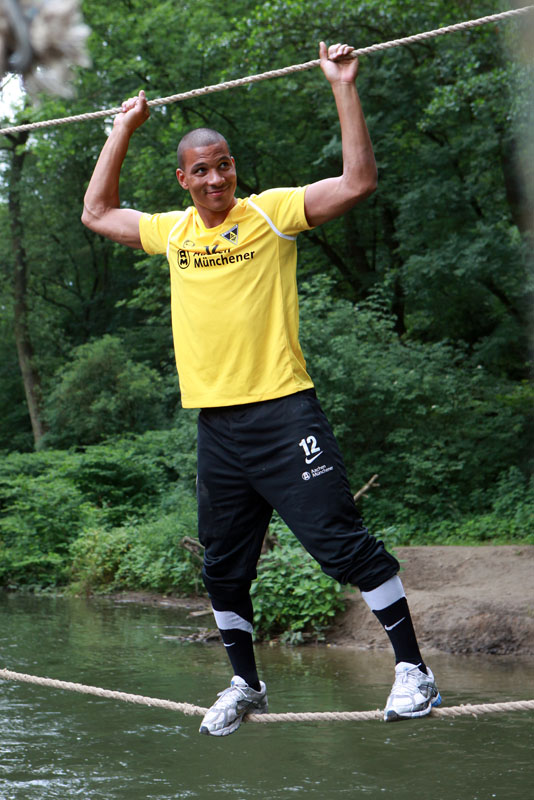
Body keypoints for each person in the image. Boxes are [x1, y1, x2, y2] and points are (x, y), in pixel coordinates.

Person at [82, 42, 441, 736]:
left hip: (284, 414)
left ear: (234, 168)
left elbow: (358, 182)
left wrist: (342, 85)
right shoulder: (173, 233)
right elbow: (97, 212)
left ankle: (414, 673)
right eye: (202, 170)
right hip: (217, 429)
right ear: (183, 178)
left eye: (224, 165)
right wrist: (122, 127)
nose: (216, 178)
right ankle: (246, 684)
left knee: (342, 547)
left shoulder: (272, 213)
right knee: (221, 569)